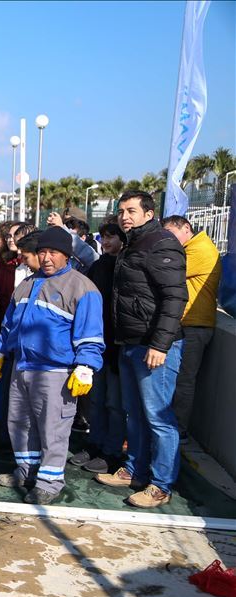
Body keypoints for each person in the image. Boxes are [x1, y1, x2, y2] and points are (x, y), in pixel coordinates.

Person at [0, 226, 105, 505]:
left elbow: (91, 334)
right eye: (42, 252)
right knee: (19, 423)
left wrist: (85, 366)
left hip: (56, 372)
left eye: (54, 252)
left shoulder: (82, 288)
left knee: (53, 428)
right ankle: (26, 471)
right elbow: (10, 325)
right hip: (22, 366)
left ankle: (49, 482)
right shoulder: (27, 284)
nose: (47, 258)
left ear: (67, 255)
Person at [95, 191, 187, 508]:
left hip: (155, 347)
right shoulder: (132, 243)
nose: (125, 216)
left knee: (159, 418)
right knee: (135, 414)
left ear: (149, 213)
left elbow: (174, 297)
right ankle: (134, 471)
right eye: (121, 211)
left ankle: (160, 485)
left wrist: (160, 344)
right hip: (131, 343)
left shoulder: (161, 242)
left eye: (132, 210)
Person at [70, 222, 127, 474]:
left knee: (115, 403)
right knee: (97, 400)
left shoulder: (126, 265)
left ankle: (112, 451)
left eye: (111, 236)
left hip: (118, 346)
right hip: (97, 345)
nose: (106, 241)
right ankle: (95, 443)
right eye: (103, 237)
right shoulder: (98, 266)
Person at [162, 215, 222, 438]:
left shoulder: (200, 249)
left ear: (186, 228)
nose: (167, 239)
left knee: (182, 381)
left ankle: (177, 430)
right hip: (185, 324)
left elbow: (167, 273)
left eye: (170, 233)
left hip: (194, 325)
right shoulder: (191, 247)